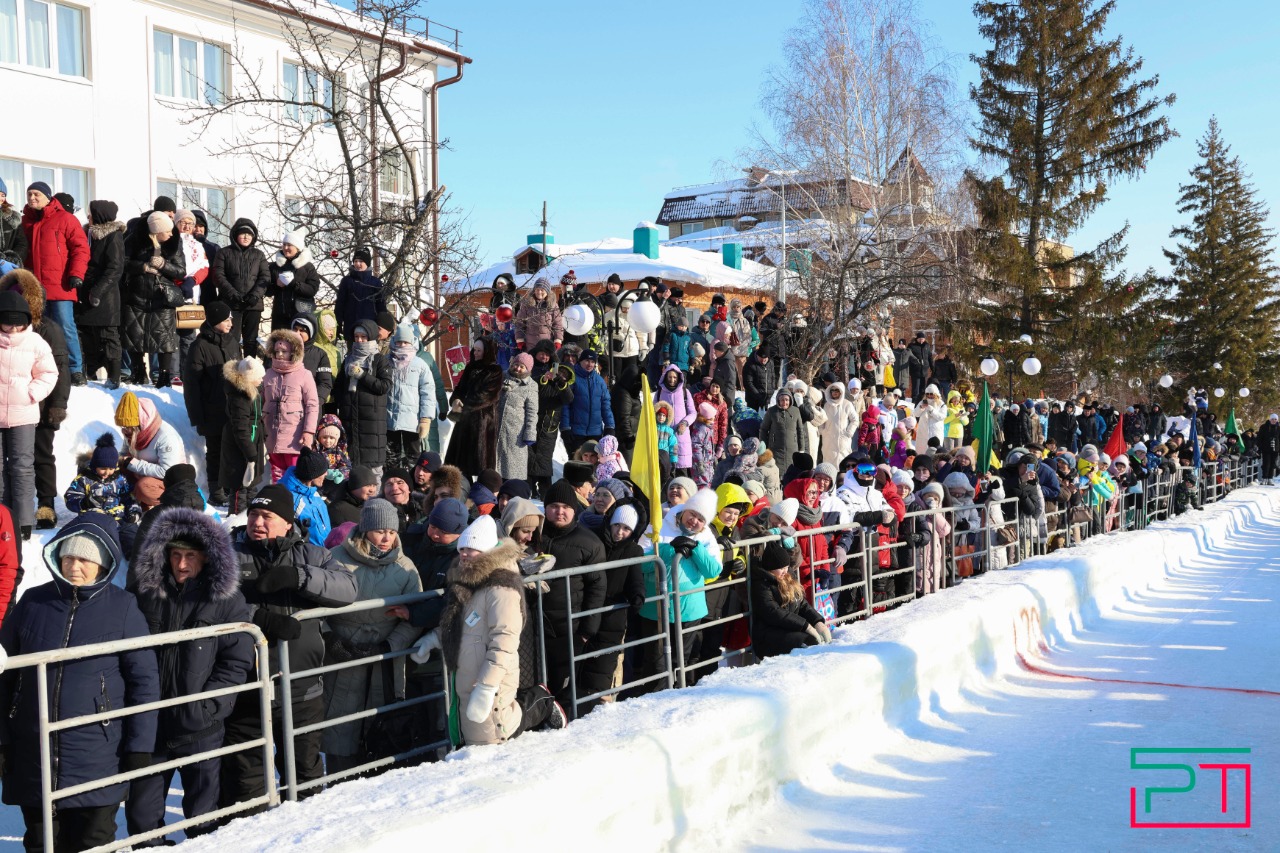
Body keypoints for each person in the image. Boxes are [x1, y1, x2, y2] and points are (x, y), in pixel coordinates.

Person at [0, 513, 159, 853]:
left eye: (85, 558)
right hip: (34, 750)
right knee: (42, 843)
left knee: (92, 843)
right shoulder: (33, 601)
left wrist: (140, 746)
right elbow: (5, 674)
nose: (74, 566)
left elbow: (144, 681)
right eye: (68, 556)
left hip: (97, 753)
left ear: (103, 563)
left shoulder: (124, 608)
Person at [221, 484, 359, 810]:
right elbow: (210, 602)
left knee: (304, 777)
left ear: (287, 522)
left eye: (267, 516)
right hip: (246, 690)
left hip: (302, 689)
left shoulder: (313, 554)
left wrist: (299, 577)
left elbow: (348, 589)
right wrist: (257, 617)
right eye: (253, 513)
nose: (257, 522)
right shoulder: (228, 555)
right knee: (247, 783)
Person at [125, 508, 254, 843]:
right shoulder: (145, 593)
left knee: (203, 822)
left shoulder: (226, 599)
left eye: (191, 556)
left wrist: (209, 706)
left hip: (200, 726)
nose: (181, 565)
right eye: (175, 555)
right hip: (151, 726)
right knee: (142, 822)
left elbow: (236, 660)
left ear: (207, 558)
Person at [409, 515, 560, 744]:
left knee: (495, 734)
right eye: (462, 549)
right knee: (475, 737)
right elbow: (460, 623)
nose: (465, 554)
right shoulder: (468, 583)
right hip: (467, 676)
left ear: (488, 552)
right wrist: (432, 639)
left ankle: (542, 702)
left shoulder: (502, 588)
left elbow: (505, 640)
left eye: (472, 549)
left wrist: (487, 687)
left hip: (492, 678)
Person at [322, 498, 423, 773]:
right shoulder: (336, 560)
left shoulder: (406, 567)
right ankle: (340, 782)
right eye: (380, 530)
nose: (386, 538)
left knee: (382, 725)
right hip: (343, 654)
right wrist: (330, 638)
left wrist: (390, 645)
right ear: (365, 529)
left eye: (391, 532)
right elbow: (316, 606)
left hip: (384, 659)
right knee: (341, 724)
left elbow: (414, 616)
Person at [0, 268, 71, 531]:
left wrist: (57, 405)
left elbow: (59, 369)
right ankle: (10, 514)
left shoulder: (46, 330)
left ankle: (46, 504)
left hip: (39, 403)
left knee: (40, 456)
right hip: (11, 406)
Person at [637, 488, 722, 688]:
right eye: (692, 514)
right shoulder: (658, 525)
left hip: (688, 608)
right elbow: (639, 562)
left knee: (681, 659)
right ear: (685, 510)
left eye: (701, 519)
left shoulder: (706, 535)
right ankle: (655, 700)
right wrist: (668, 550)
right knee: (656, 661)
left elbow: (713, 571)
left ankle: (679, 697)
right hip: (656, 607)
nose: (694, 521)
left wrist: (695, 548)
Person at [539, 479, 607, 715]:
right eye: (554, 506)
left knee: (564, 685)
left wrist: (588, 628)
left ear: (574, 510)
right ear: (546, 508)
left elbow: (597, 587)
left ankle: (566, 727)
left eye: (565, 507)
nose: (560, 512)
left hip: (569, 627)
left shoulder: (589, 543)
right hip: (534, 626)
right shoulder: (533, 537)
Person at [21, 181, 89, 385]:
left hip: (60, 284)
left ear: (48, 197)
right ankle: (44, 369)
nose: (32, 198)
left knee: (65, 326)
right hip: (34, 287)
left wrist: (76, 273)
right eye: (29, 194)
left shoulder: (66, 219)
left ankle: (75, 369)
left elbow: (81, 249)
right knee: (38, 329)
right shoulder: (25, 222)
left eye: (36, 194)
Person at [182, 301, 238, 504]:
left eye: (230, 318)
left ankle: (231, 486)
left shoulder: (232, 341)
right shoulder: (200, 346)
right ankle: (216, 489)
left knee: (232, 449)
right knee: (215, 450)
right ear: (215, 322)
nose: (230, 323)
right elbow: (191, 383)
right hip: (211, 409)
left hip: (233, 408)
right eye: (226, 319)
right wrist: (196, 415)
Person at [123, 210, 186, 387]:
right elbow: (122, 263)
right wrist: (142, 267)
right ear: (157, 230)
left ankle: (164, 376)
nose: (171, 233)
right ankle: (138, 371)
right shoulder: (133, 240)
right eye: (167, 230)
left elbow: (181, 271)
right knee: (134, 335)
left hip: (162, 297)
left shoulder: (174, 243)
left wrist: (164, 265)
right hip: (136, 295)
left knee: (164, 337)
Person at [750, 540, 831, 658]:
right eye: (781, 568)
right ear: (770, 568)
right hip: (768, 636)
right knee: (809, 642)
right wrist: (805, 626)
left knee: (818, 639)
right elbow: (773, 612)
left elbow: (802, 604)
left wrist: (817, 622)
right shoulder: (762, 584)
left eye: (787, 567)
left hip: (789, 629)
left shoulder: (788, 577)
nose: (785, 571)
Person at [333, 320, 393, 474]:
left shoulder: (379, 359)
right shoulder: (348, 359)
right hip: (349, 421)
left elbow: (384, 386)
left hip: (372, 424)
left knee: (371, 472)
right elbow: (338, 388)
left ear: (371, 337)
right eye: (356, 337)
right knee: (350, 468)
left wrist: (362, 375)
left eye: (363, 337)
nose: (359, 340)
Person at [260, 329, 320, 483]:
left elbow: (312, 405)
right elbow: (260, 400)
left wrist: (308, 431)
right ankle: (279, 501)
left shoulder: (304, 375)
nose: (280, 355)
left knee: (295, 475)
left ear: (294, 352)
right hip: (272, 435)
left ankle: (294, 502)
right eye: (277, 351)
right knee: (277, 475)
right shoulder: (268, 374)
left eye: (284, 351)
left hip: (295, 436)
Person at [78, 200, 126, 387]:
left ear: (100, 215)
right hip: (86, 292)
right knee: (88, 336)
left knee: (108, 337)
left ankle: (114, 377)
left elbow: (115, 268)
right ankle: (90, 373)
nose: (88, 217)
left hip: (105, 296)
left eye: (91, 214)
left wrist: (97, 291)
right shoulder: (87, 234)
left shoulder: (114, 236)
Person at [444, 336, 505, 480]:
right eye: (475, 350)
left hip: (483, 421)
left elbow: (487, 396)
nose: (475, 353)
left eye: (479, 350)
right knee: (460, 463)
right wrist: (455, 399)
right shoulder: (470, 367)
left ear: (487, 351)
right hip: (464, 421)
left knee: (480, 463)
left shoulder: (494, 371)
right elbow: (460, 387)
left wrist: (464, 405)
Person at [211, 218, 271, 358]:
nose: (246, 237)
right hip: (231, 303)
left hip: (253, 305)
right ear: (235, 235)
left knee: (251, 340)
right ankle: (232, 369)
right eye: (243, 233)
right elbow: (218, 276)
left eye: (249, 234)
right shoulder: (224, 253)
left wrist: (255, 295)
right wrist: (232, 293)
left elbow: (265, 277)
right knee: (232, 338)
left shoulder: (259, 255)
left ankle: (249, 371)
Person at [385, 324, 436, 471]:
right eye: (399, 342)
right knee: (391, 457)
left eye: (405, 342)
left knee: (413, 458)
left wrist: (425, 419)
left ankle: (413, 486)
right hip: (390, 420)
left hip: (412, 422)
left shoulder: (420, 364)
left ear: (412, 342)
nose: (402, 345)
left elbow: (428, 393)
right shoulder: (386, 362)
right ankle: (392, 482)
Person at [220, 356, 267, 515]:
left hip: (252, 445)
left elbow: (257, 419)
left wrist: (263, 439)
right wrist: (251, 453)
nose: (262, 379)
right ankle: (236, 518)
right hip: (240, 449)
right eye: (259, 377)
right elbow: (240, 428)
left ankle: (250, 516)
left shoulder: (254, 393)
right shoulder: (240, 397)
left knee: (251, 486)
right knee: (240, 487)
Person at [494, 352, 538, 481]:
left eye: (522, 366)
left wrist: (530, 433)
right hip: (496, 429)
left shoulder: (531, 385)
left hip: (515, 433)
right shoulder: (501, 377)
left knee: (512, 470)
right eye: (516, 364)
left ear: (528, 369)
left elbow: (532, 411)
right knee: (494, 468)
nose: (517, 368)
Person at [561, 349, 613, 458]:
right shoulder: (572, 378)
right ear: (580, 361)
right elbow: (565, 405)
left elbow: (605, 405)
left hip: (595, 432)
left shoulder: (599, 381)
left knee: (594, 465)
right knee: (577, 464)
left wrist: (609, 425)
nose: (589, 364)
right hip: (576, 432)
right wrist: (565, 427)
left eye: (592, 362)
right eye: (587, 361)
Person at [267, 228, 320, 331]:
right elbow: (267, 291)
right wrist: (276, 285)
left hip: (301, 316)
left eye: (289, 245)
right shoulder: (274, 267)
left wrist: (293, 284)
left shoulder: (307, 267)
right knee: (279, 345)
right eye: (284, 244)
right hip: (280, 317)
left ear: (298, 247)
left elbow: (312, 290)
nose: (286, 248)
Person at [279, 447, 333, 547]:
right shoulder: (291, 500)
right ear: (312, 475)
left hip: (325, 552)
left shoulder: (313, 493)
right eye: (323, 471)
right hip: (309, 557)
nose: (326, 473)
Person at [333, 247, 386, 343]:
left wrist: (382, 327)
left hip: (370, 329)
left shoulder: (375, 282)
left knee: (370, 355)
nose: (357, 264)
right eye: (356, 261)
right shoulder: (347, 281)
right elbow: (340, 305)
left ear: (367, 263)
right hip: (351, 330)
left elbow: (381, 307)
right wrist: (338, 324)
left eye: (361, 261)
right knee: (352, 356)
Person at [289, 315, 334, 406]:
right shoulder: (280, 350)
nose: (297, 333)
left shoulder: (320, 354)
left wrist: (314, 402)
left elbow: (325, 384)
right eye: (295, 329)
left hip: (309, 407)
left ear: (310, 333)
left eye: (302, 330)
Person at [514, 278, 563, 351]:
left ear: (547, 291)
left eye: (542, 290)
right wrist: (520, 339)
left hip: (547, 345)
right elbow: (519, 323)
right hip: (530, 345)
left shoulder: (553, 305)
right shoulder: (527, 304)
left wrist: (558, 340)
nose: (539, 292)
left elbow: (558, 324)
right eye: (537, 289)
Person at [0, 179, 27, 265]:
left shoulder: (12, 218)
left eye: (2, 195)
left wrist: (11, 260)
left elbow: (22, 243)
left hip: (6, 269)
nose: (0, 198)